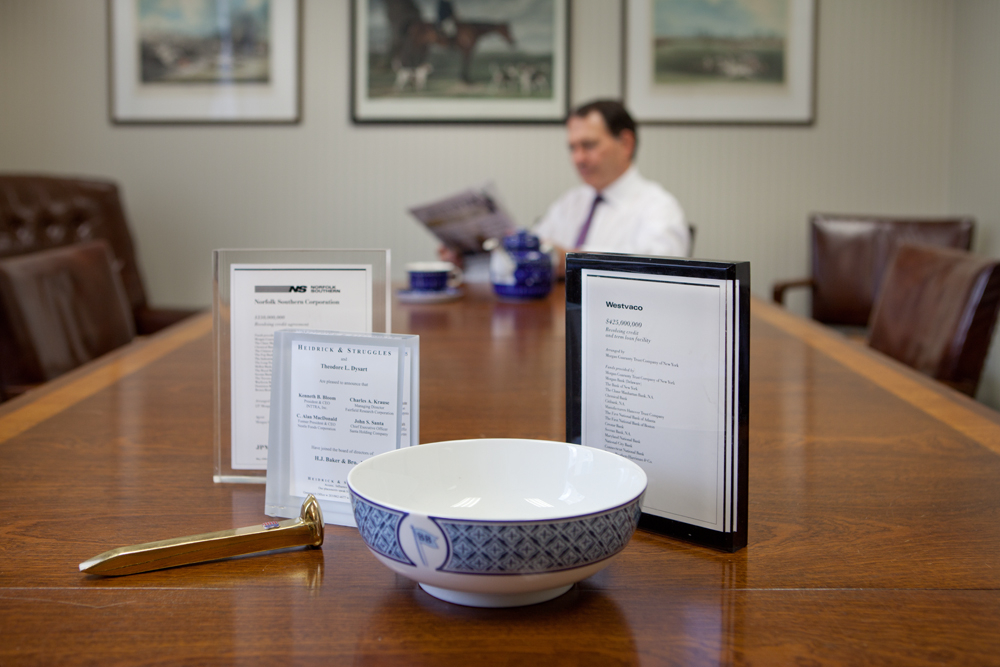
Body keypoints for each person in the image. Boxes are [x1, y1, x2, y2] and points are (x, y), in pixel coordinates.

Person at [534, 99, 689, 276]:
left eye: (588, 145)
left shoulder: (659, 207)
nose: (578, 159)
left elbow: (661, 271)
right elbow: (537, 246)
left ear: (626, 144)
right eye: (572, 148)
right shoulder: (570, 202)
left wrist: (571, 261)